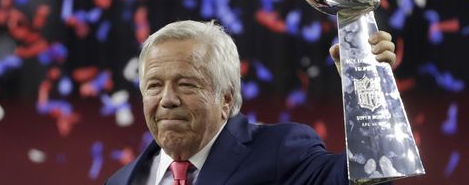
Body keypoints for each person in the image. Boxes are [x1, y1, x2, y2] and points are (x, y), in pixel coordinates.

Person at [106, 20, 396, 185]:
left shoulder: (281, 153)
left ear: (226, 98)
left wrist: (366, 85)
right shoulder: (120, 181)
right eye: (154, 86)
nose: (167, 99)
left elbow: (370, 175)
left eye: (186, 84)